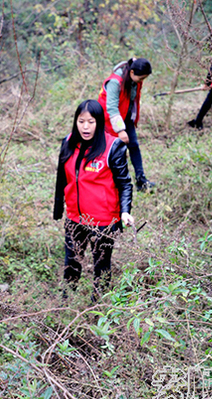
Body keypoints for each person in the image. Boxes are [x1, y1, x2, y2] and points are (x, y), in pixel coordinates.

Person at [53, 100, 135, 302]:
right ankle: (66, 304)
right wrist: (58, 208)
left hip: (103, 221)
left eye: (91, 121)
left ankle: (98, 307)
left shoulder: (113, 147)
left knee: (101, 266)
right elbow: (61, 179)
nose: (86, 127)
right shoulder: (68, 142)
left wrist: (125, 210)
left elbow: (125, 183)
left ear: (99, 122)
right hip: (75, 218)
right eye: (81, 121)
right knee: (71, 264)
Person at [98, 57, 154, 191]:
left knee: (133, 145)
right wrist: (120, 130)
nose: (142, 81)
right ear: (132, 72)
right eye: (141, 78)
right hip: (108, 120)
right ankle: (111, 183)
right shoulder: (114, 83)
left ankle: (141, 181)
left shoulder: (133, 75)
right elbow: (111, 108)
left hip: (125, 116)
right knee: (114, 150)